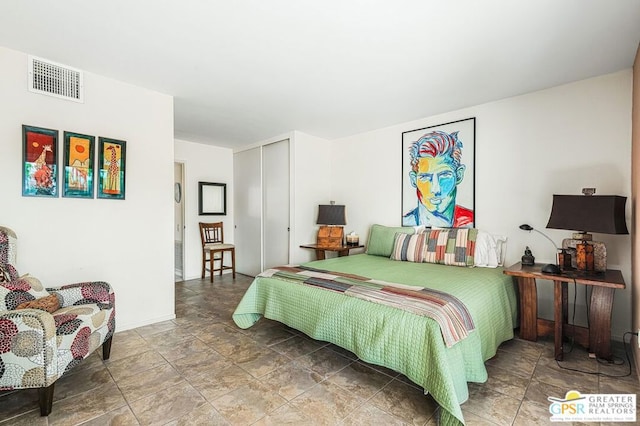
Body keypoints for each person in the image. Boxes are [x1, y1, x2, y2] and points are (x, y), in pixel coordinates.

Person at [402, 130, 474, 227]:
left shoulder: (471, 222)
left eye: (444, 176)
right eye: (425, 177)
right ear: (414, 179)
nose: (435, 189)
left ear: (459, 175)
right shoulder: (406, 223)